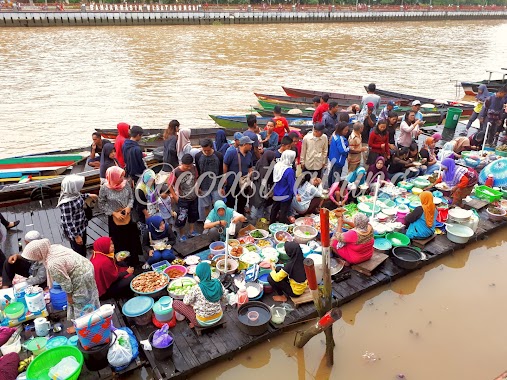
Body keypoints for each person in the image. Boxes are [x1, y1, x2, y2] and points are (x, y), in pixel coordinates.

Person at [22, 238, 100, 320]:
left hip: (80, 275)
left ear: (38, 254)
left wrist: (69, 296)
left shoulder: (53, 264)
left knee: (78, 301)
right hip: (86, 266)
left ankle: (83, 324)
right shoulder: (53, 248)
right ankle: (96, 316)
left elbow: (66, 283)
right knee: (90, 294)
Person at [98, 166, 141, 267]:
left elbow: (131, 197)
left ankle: (134, 261)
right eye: (120, 177)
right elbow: (101, 204)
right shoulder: (104, 188)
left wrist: (129, 207)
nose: (122, 178)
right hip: (115, 219)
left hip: (127, 217)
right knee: (119, 241)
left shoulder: (125, 184)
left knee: (132, 239)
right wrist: (114, 213)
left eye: (123, 176)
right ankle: (122, 264)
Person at [172, 262, 226, 328]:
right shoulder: (218, 283)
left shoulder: (196, 288)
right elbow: (224, 298)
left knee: (176, 303)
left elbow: (186, 302)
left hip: (202, 322)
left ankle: (194, 322)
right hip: (218, 317)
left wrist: (189, 295)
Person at [57, 175, 97, 257]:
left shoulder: (72, 193)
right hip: (75, 230)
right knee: (78, 251)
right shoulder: (66, 203)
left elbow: (79, 196)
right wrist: (76, 236)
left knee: (83, 245)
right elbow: (69, 222)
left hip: (81, 225)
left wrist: (88, 195)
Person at [169, 153, 199, 240]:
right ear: (182, 163)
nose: (189, 168)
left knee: (193, 215)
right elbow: (169, 184)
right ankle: (181, 235)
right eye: (186, 166)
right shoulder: (176, 172)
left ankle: (191, 231)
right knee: (181, 218)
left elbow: (196, 178)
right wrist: (175, 196)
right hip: (183, 199)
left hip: (193, 197)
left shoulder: (194, 168)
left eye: (190, 166)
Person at [195, 138, 224, 222]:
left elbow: (221, 171)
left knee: (219, 205)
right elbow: (198, 172)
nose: (206, 152)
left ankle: (219, 221)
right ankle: (208, 222)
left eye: (208, 150)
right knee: (205, 205)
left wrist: (222, 186)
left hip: (217, 184)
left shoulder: (219, 155)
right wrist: (198, 186)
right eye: (204, 150)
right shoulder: (198, 156)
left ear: (212, 147)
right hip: (203, 185)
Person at [223, 136, 253, 216]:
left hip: (243, 182)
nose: (251, 146)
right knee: (230, 202)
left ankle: (240, 217)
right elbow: (225, 164)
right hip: (232, 181)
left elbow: (250, 166)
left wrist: (249, 176)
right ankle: (229, 218)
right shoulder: (231, 152)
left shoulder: (249, 154)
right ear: (244, 144)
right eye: (250, 144)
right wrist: (225, 177)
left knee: (242, 201)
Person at [249, 150, 276, 223]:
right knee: (260, 209)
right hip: (262, 192)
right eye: (273, 158)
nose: (274, 160)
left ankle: (256, 222)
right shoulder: (266, 169)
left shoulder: (260, 163)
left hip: (256, 189)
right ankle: (258, 224)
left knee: (257, 207)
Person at [270, 150, 296, 224]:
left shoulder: (277, 165)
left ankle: (271, 223)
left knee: (274, 209)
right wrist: (296, 194)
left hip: (276, 192)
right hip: (285, 195)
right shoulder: (289, 171)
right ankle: (281, 227)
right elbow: (292, 185)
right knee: (283, 212)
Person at [328, 121, 350, 187]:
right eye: (345, 130)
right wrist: (349, 148)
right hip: (339, 161)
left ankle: (330, 188)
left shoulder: (334, 136)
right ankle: (334, 191)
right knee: (336, 177)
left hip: (333, 159)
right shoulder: (341, 139)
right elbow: (343, 150)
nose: (346, 132)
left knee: (331, 174)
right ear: (341, 130)